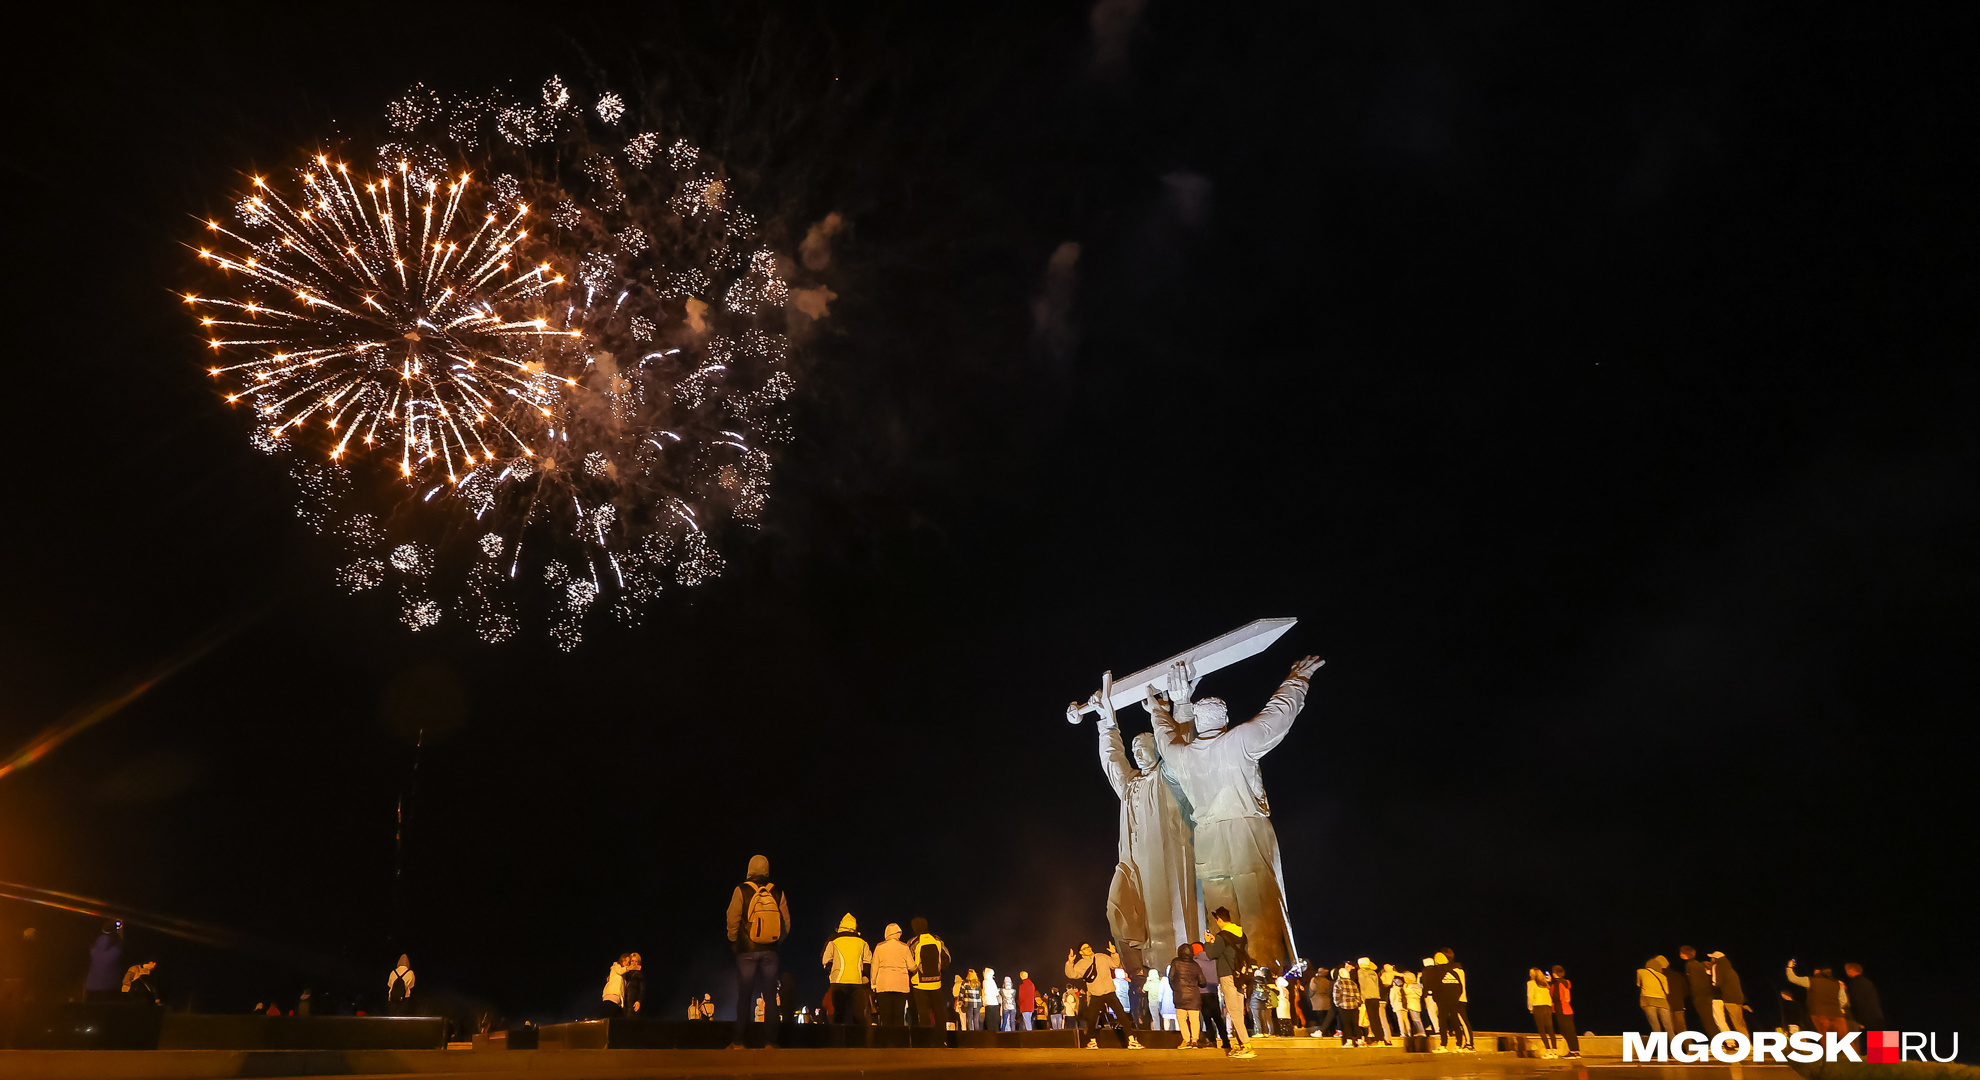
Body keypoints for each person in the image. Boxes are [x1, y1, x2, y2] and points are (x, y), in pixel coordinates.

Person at [1148, 657, 1324, 969]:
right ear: (1225, 718)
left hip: (1207, 842)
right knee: (1258, 910)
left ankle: (1231, 974)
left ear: (1200, 723)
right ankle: (1264, 977)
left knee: (1220, 915)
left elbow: (1163, 737)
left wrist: (1159, 711)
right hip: (1244, 832)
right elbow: (1277, 716)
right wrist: (1299, 677)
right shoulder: (1238, 741)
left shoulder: (1183, 757)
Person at [725, 854, 791, 1050]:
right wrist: (775, 942)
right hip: (771, 952)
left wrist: (734, 941)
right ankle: (771, 1042)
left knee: (744, 995)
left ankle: (738, 1042)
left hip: (746, 951)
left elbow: (732, 918)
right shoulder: (776, 891)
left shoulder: (741, 890)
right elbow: (786, 923)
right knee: (770, 996)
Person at [1066, 942, 1141, 1049]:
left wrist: (1114, 953)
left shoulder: (1101, 957)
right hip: (1096, 994)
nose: (1089, 949)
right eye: (1085, 948)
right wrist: (1070, 962)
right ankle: (1092, 1041)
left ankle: (1132, 1040)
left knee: (1122, 1015)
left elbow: (1115, 964)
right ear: (1081, 952)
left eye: (1089, 946)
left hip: (1109, 991)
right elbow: (1071, 974)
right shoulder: (1081, 964)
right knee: (1091, 1019)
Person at [1205, 911, 1256, 1056]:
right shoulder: (1242, 934)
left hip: (1227, 975)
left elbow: (1211, 954)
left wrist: (1208, 942)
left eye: (1216, 920)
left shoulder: (1222, 937)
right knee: (1238, 1011)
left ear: (1219, 919)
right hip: (1240, 976)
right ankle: (1241, 1044)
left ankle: (1246, 1045)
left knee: (1233, 1011)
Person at [820, 913, 871, 1025]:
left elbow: (825, 960)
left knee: (839, 1015)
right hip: (856, 982)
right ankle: (858, 1039)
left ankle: (838, 1040)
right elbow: (868, 961)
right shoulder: (862, 942)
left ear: (841, 925)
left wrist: (830, 973)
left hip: (838, 982)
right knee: (858, 1015)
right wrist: (864, 976)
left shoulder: (834, 940)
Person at [903, 917, 948, 1028]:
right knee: (939, 1013)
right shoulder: (937, 940)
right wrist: (938, 969)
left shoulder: (913, 942)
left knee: (923, 1014)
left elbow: (908, 962)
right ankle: (941, 1039)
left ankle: (925, 1041)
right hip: (936, 983)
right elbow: (947, 959)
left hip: (919, 985)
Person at [1785, 961, 1849, 1036]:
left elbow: (1792, 978)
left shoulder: (1811, 981)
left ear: (1817, 971)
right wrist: (1836, 1008)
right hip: (1837, 1016)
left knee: (1826, 1041)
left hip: (1819, 1015)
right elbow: (1844, 1000)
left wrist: (1789, 967)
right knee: (1846, 1042)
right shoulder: (1838, 984)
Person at [1423, 951, 1469, 1051]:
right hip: (1453, 1000)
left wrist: (1436, 997)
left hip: (1442, 1001)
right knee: (1455, 1022)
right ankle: (1459, 1045)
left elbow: (1433, 985)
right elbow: (1459, 986)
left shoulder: (1435, 971)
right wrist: (1455, 997)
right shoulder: (1453, 971)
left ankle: (1443, 1045)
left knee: (1442, 1022)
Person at [866, 922, 910, 1026]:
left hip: (883, 986)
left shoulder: (879, 947)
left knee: (885, 1016)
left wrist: (873, 984)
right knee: (898, 1016)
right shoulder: (904, 947)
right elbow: (912, 966)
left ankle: (886, 1040)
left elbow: (874, 967)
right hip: (901, 986)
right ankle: (897, 1039)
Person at [1166, 942, 1205, 1046]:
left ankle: (1186, 1040)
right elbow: (1203, 982)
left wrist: (1176, 989)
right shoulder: (1195, 965)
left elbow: (1171, 978)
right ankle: (1195, 1040)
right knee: (1194, 1019)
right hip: (1194, 996)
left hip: (1180, 996)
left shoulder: (1175, 962)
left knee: (1182, 1019)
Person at [1679, 947, 1719, 1036]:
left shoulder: (1690, 965)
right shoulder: (1698, 964)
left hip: (1701, 996)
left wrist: (1693, 995)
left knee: (1707, 1021)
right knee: (1713, 1019)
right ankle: (1723, 1041)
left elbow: (1694, 982)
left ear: (1684, 955)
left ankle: (1717, 1041)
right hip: (1708, 994)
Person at [85, 921, 124, 1002]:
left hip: (91, 988)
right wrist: (120, 929)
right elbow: (121, 941)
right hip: (110, 989)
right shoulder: (116, 951)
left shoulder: (93, 950)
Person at [1709, 953, 1746, 1036]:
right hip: (1738, 998)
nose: (1711, 960)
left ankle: (1746, 1043)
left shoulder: (1717, 967)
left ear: (1715, 959)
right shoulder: (1730, 969)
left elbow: (1716, 983)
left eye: (1712, 958)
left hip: (1729, 998)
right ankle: (1746, 1042)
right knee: (1739, 1022)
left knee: (1737, 1023)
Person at [1549, 965, 1581, 1057]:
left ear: (1554, 974)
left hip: (1561, 1010)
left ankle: (1573, 1051)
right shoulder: (1566, 982)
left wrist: (1550, 986)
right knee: (1571, 1031)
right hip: (1568, 1009)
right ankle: (1575, 1051)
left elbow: (1556, 997)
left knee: (1565, 1031)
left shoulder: (1557, 984)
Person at [1527, 967, 1559, 1058]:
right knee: (1550, 1029)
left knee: (1542, 1030)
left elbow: (1530, 996)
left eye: (1530, 973)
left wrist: (1530, 1008)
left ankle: (1548, 1051)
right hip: (1547, 1006)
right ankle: (1555, 1051)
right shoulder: (1545, 983)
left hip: (1538, 1006)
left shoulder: (1531, 983)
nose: (1529, 974)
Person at [1637, 956, 1674, 1033]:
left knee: (1655, 1026)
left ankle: (1658, 1044)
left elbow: (1639, 984)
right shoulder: (1663, 976)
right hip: (1663, 1002)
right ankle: (1674, 1044)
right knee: (1669, 1027)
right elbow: (1667, 991)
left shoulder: (1640, 971)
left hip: (1648, 1000)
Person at [1843, 963, 1885, 1029]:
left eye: (1847, 970)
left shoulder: (1854, 983)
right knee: (1883, 1038)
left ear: (1851, 970)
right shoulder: (1868, 982)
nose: (1846, 972)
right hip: (1877, 1016)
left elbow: (1855, 1000)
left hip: (1865, 1018)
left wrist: (1845, 990)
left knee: (1868, 1038)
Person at [1358, 958, 1390, 1043]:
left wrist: (1362, 998)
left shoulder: (1361, 972)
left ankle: (1378, 1039)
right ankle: (1381, 1038)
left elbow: (1363, 985)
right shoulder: (1373, 973)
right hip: (1376, 997)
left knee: (1372, 1019)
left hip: (1368, 997)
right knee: (1377, 1019)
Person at [1332, 962, 1363, 1045]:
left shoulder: (1338, 983)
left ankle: (1349, 1041)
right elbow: (1357, 995)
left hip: (1344, 1006)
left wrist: (1338, 1004)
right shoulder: (1353, 983)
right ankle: (1360, 1040)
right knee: (1355, 1024)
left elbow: (1336, 996)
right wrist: (1357, 1003)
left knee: (1346, 1024)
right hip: (1354, 1006)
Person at [1306, 964, 1334, 1038]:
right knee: (1326, 1018)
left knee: (1320, 1019)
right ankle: (1328, 1033)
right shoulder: (1327, 981)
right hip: (1326, 1001)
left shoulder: (1314, 980)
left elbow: (1312, 989)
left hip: (1317, 1001)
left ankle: (1321, 1032)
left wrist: (1310, 997)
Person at [1403, 971, 1427, 1036]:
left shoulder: (1408, 986)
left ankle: (1421, 1031)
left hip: (1411, 1004)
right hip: (1417, 1003)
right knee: (1417, 1019)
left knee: (1415, 1019)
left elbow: (1406, 991)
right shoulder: (1417, 985)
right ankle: (1420, 1031)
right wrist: (1418, 978)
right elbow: (1419, 986)